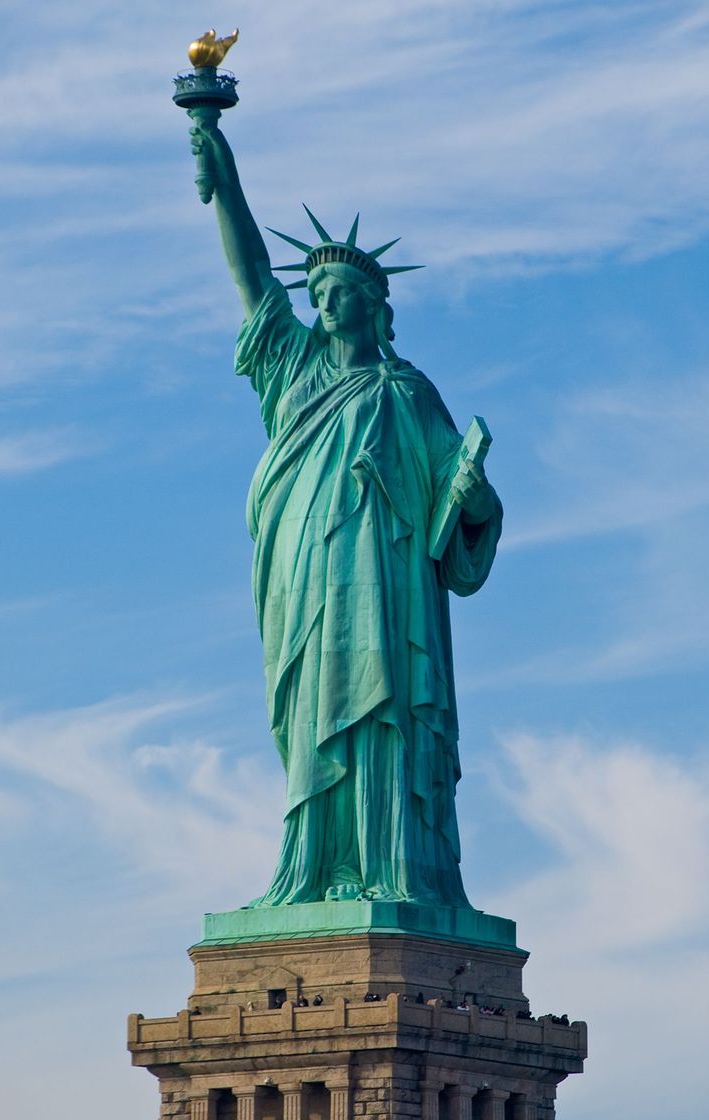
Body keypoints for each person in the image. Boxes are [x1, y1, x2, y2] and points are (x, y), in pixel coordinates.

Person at [194, 125, 502, 908]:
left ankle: (392, 869)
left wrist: (471, 499)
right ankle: (313, 868)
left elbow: (459, 505)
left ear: (374, 308)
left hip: (387, 587)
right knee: (314, 712)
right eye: (317, 296)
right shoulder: (291, 368)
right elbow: (251, 271)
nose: (324, 305)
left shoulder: (407, 394)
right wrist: (218, 163)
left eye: (340, 296)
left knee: (385, 708)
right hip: (306, 578)